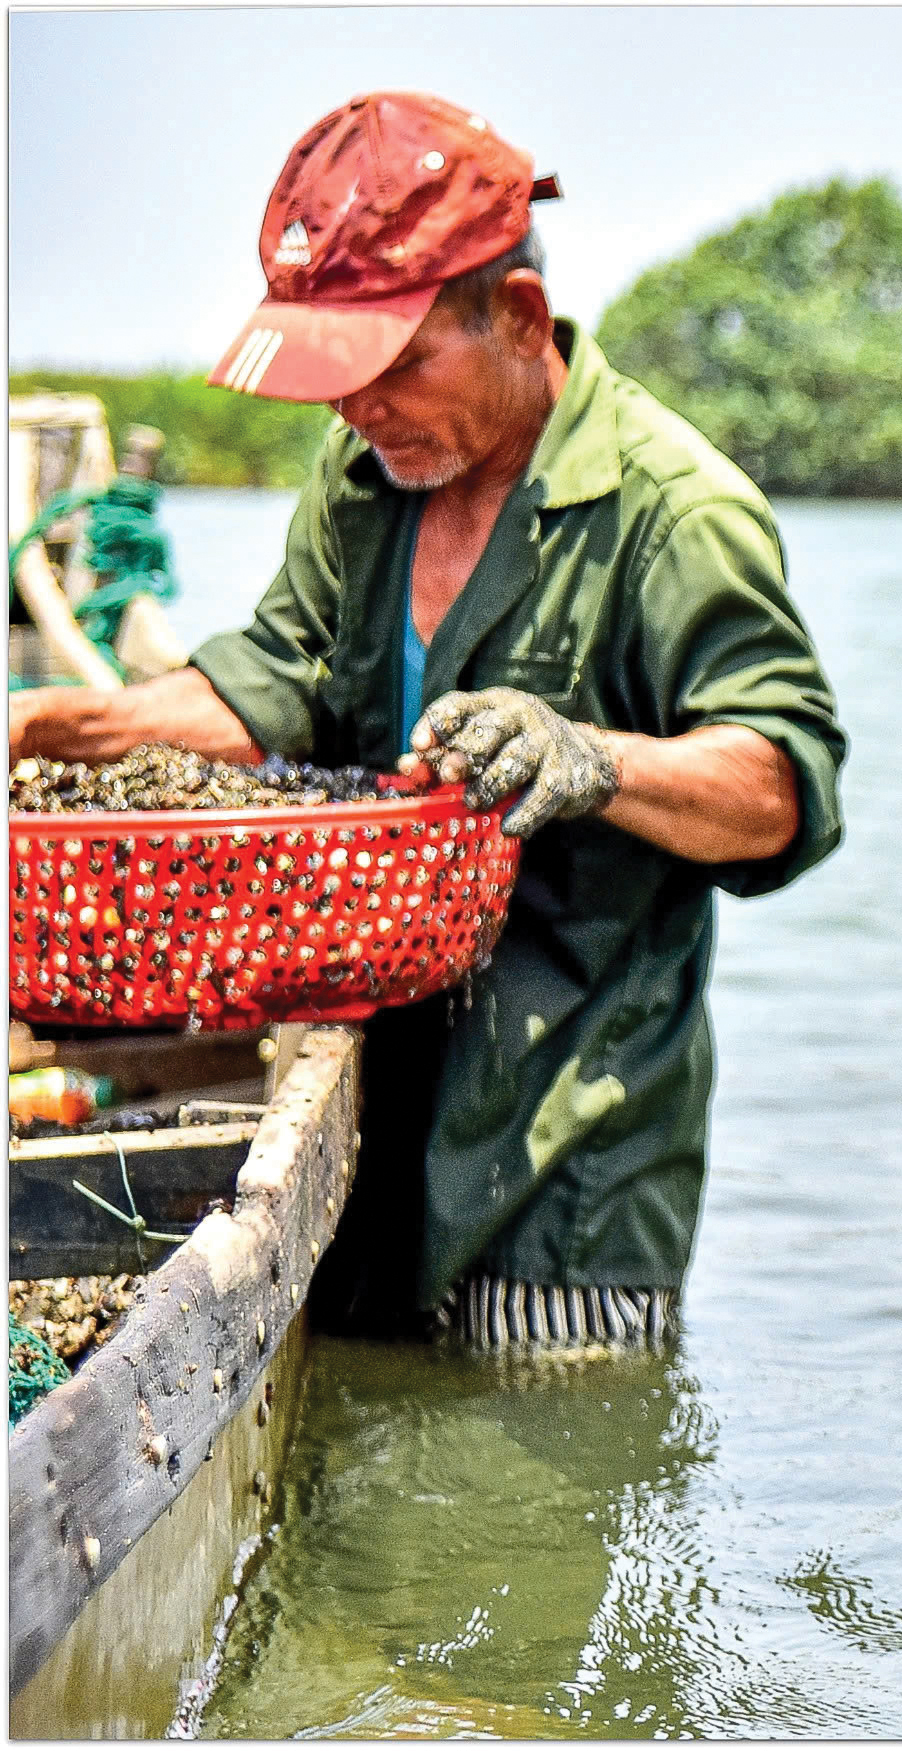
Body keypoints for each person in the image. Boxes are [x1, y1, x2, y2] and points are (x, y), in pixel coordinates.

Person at [9, 92, 847, 1352]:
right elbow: (276, 679)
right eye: (340, 381)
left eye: (392, 366)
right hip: (360, 1102)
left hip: (560, 1163)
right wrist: (61, 729)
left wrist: (587, 756)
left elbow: (782, 783)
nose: (357, 410)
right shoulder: (363, 478)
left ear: (516, 318)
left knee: (523, 1494)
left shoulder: (675, 509)